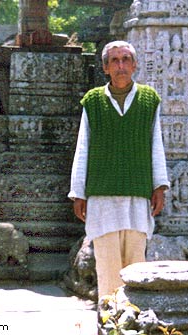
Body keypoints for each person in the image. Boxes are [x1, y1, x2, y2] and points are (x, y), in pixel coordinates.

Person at [68, 40, 170, 299]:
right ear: (105, 68)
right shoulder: (93, 101)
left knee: (136, 268)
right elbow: (83, 148)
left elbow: (156, 144)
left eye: (126, 59)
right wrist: (78, 192)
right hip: (102, 199)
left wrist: (159, 186)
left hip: (138, 196)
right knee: (107, 269)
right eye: (114, 60)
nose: (121, 65)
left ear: (134, 65)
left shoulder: (149, 100)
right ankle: (110, 324)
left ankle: (133, 323)